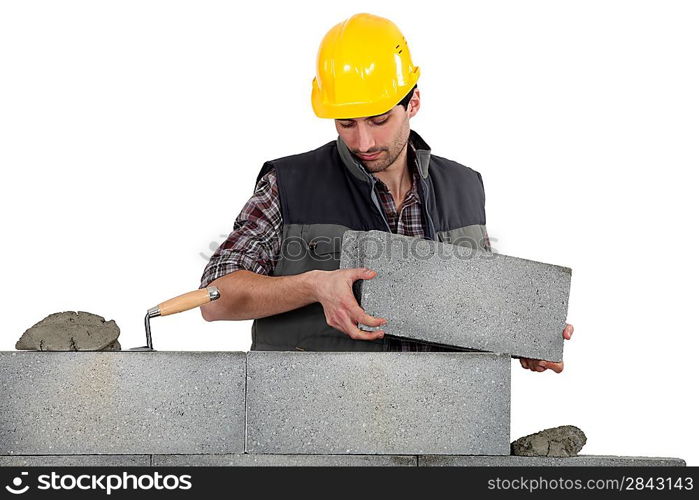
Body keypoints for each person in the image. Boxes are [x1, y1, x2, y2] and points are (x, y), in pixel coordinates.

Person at [199, 13, 573, 372]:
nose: (363, 141)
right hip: (313, 422)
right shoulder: (290, 183)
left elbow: (469, 312)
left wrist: (525, 337)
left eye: (379, 120)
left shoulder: (464, 186)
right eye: (346, 123)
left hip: (440, 420)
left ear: (413, 103)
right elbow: (215, 298)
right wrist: (312, 285)